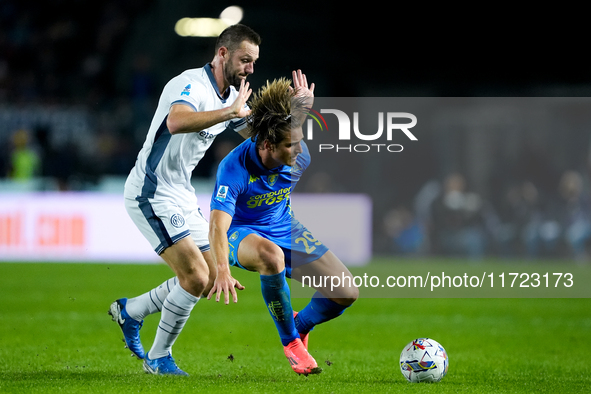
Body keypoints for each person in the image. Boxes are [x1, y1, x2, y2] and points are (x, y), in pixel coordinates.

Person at [108, 24, 261, 376]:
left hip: (182, 194)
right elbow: (176, 121)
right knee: (194, 276)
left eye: (253, 62)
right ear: (223, 53)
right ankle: (158, 359)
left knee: (206, 280)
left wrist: (293, 115)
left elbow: (257, 135)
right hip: (152, 191)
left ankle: (130, 312)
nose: (249, 68)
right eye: (244, 59)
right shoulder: (189, 83)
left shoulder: (230, 97)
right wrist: (230, 113)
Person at [208, 73, 358, 375]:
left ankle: (300, 325)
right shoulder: (233, 169)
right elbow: (216, 227)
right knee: (270, 256)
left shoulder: (296, 154)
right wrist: (222, 269)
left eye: (299, 141)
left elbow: (283, 126)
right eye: (291, 145)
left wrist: (300, 109)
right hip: (242, 232)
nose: (300, 150)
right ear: (267, 145)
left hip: (282, 224)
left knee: (345, 291)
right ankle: (291, 343)